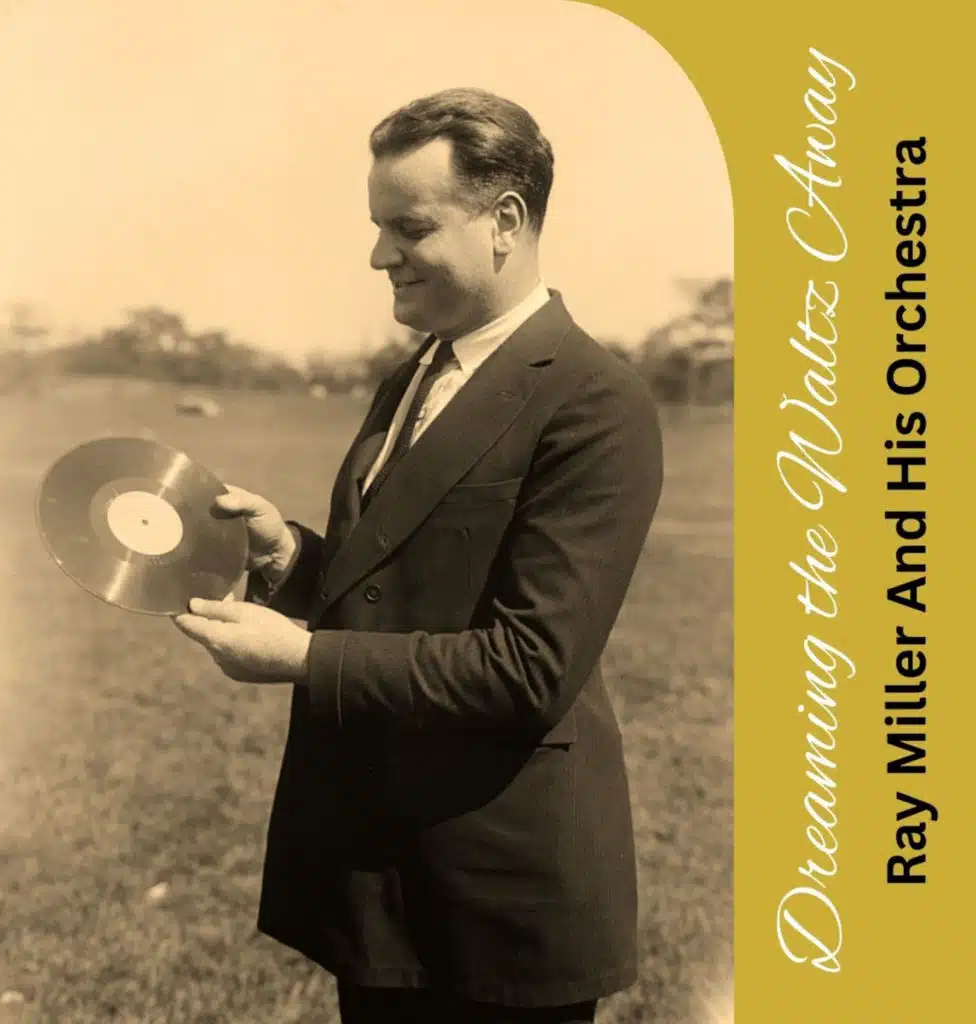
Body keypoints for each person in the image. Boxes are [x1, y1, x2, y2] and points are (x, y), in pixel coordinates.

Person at [174, 87, 664, 1024]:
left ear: (505, 222)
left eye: (410, 227)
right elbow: (394, 588)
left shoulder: (595, 400)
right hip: (383, 883)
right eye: (376, 226)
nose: (379, 255)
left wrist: (303, 658)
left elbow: (530, 668)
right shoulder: (414, 375)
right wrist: (287, 557)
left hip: (500, 894)